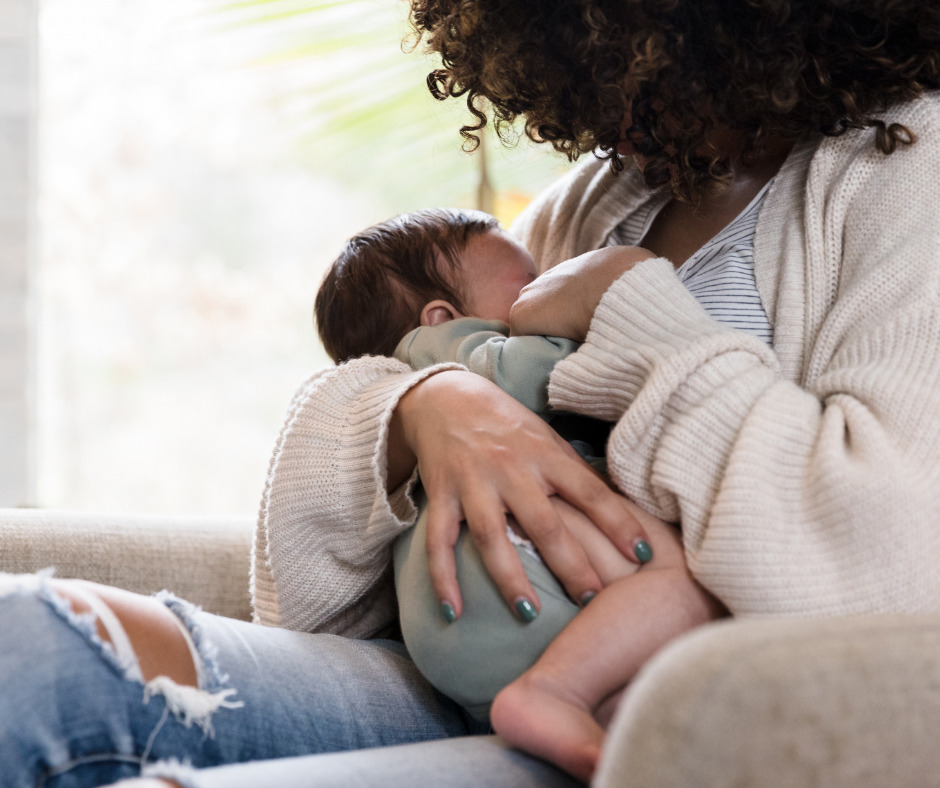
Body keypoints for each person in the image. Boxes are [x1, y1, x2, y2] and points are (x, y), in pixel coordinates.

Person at [2, 2, 939, 786]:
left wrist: (627, 309)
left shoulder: (907, 168)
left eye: (626, 75)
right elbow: (310, 586)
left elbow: (884, 568)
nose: (602, 123)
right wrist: (427, 409)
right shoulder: (607, 195)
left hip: (643, 721)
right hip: (451, 675)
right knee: (30, 643)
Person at [312, 206, 723, 776]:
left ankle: (564, 706)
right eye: (529, 285)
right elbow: (542, 372)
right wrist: (599, 302)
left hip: (451, 629)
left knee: (630, 721)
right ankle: (552, 691)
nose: (543, 292)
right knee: (687, 579)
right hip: (503, 578)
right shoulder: (454, 353)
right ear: (441, 316)